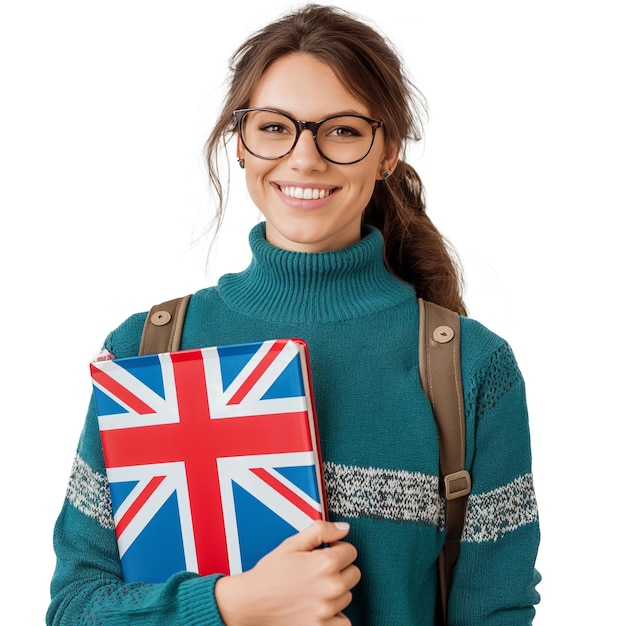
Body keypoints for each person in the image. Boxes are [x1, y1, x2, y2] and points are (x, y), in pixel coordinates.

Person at [47, 4, 541, 625]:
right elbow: (74, 606)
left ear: (386, 150)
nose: (305, 159)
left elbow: (497, 612)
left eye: (341, 130)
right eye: (275, 127)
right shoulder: (147, 351)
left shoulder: (471, 368)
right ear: (240, 144)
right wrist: (231, 604)